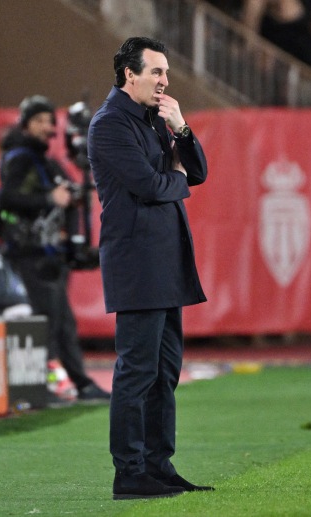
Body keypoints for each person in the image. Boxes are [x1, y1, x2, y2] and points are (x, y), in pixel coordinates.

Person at [87, 37, 212, 500]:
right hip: (138, 263)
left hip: (167, 261)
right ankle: (129, 473)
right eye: (156, 72)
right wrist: (175, 175)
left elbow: (197, 173)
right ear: (130, 74)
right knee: (137, 371)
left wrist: (181, 128)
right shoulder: (109, 124)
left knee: (165, 372)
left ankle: (159, 466)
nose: (164, 81)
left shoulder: (156, 119)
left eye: (166, 73)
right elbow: (151, 186)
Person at [0, 95, 110, 403]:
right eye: (39, 120)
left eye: (49, 120)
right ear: (25, 125)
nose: (46, 127)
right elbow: (7, 199)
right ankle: (42, 386)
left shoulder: (45, 161)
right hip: (31, 255)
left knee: (60, 323)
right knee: (45, 323)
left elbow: (68, 195)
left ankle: (78, 383)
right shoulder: (20, 158)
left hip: (49, 255)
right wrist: (49, 199)